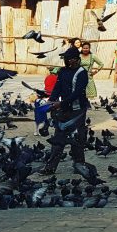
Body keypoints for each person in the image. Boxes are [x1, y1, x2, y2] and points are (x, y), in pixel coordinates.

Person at [41, 45, 90, 174]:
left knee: (78, 138)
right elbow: (57, 87)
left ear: (77, 59)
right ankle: (50, 168)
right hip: (64, 109)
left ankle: (79, 167)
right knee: (58, 138)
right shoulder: (62, 71)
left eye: (72, 59)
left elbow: (78, 93)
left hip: (78, 109)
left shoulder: (82, 73)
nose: (70, 61)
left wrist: (60, 103)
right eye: (68, 59)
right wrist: (51, 100)